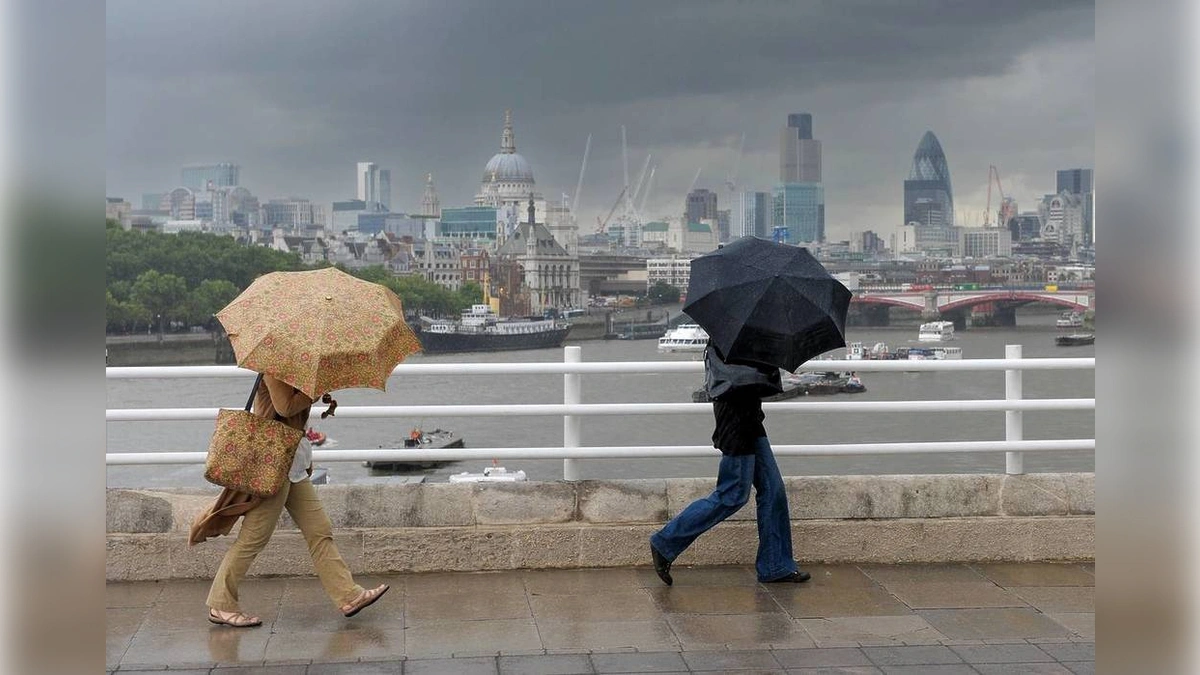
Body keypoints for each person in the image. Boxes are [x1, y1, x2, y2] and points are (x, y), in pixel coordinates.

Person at [190, 373, 388, 627]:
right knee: (253, 539)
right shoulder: (274, 368)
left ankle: (349, 595)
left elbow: (294, 419)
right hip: (273, 467)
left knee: (319, 530)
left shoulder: (295, 369)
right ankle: (221, 604)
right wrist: (313, 391)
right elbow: (284, 406)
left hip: (290, 463)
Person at [649, 344, 811, 586]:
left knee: (773, 489)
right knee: (732, 493)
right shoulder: (733, 338)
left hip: (750, 419)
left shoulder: (748, 332)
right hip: (735, 421)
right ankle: (665, 541)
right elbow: (742, 380)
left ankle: (775, 565)